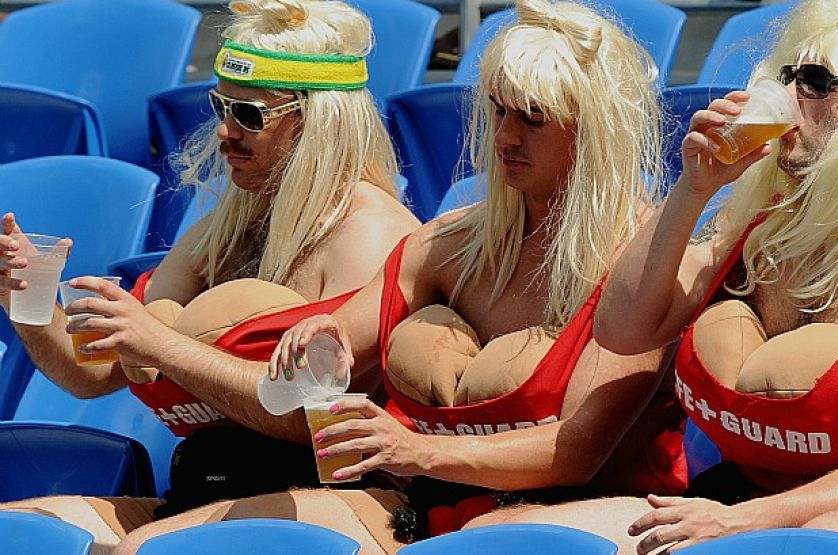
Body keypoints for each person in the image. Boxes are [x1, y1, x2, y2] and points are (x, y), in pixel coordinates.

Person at [110, 0, 689, 553]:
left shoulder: (644, 259)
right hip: (432, 505)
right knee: (145, 548)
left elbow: (576, 452)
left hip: (593, 509)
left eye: (533, 119)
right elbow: (307, 377)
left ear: (593, 130)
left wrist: (416, 449)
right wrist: (316, 344)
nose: (506, 136)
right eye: (496, 110)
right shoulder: (447, 243)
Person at [478, 1, 838, 554]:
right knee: (499, 535)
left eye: (815, 82)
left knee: (827, 543)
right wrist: (693, 189)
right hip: (735, 503)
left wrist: (745, 523)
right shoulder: (753, 222)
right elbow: (623, 329)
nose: (786, 95)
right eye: (784, 75)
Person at [0, 0, 419, 551]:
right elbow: (93, 374)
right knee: (18, 531)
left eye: (250, 116)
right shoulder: (223, 229)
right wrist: (27, 301)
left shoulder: (370, 233)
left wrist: (164, 344)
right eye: (222, 105)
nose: (225, 131)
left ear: (318, 120)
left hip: (336, 496)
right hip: (209, 489)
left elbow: (315, 423)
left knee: (141, 551)